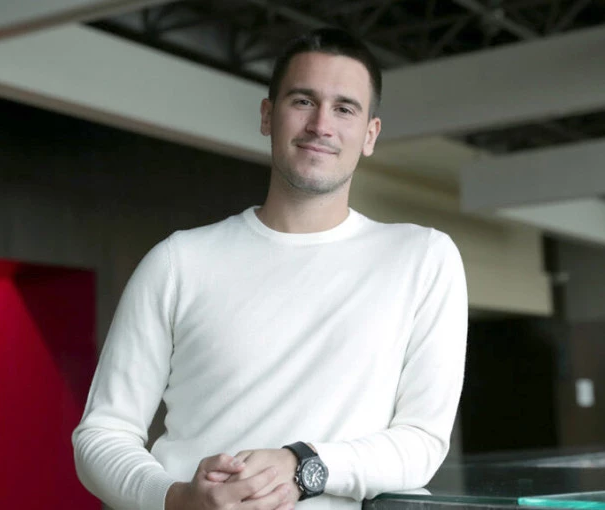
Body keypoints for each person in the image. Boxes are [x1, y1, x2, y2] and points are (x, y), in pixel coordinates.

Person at [72, 27, 468, 510]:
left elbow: (422, 442)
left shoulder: (422, 258)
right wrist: (175, 499)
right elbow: (102, 433)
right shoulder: (178, 261)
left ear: (370, 135)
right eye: (303, 101)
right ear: (267, 115)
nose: (321, 125)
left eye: (344, 108)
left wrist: (303, 464)